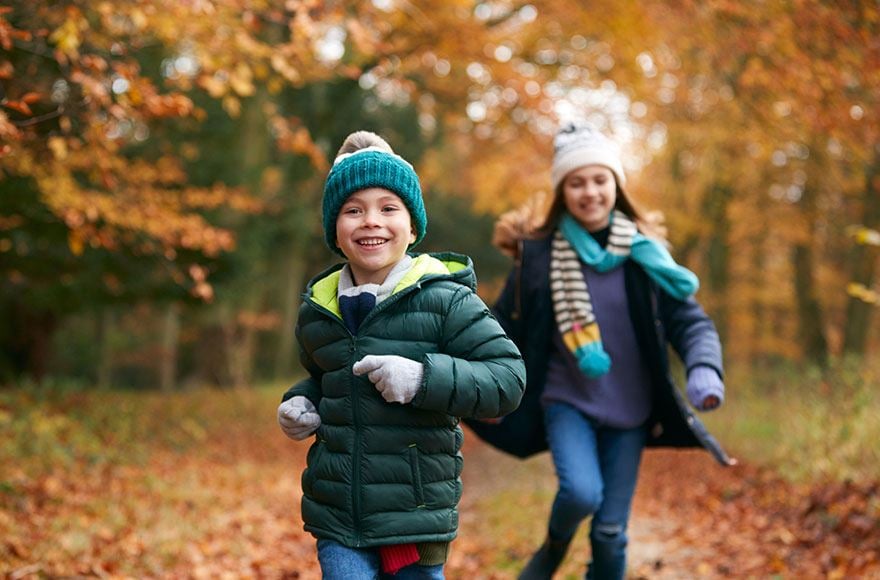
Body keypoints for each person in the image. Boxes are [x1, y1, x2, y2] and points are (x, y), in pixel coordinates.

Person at [276, 131, 526, 579]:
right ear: (335, 228)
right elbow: (324, 376)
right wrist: (302, 402)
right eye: (353, 210)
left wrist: (421, 379)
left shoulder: (446, 300)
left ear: (412, 227)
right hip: (339, 513)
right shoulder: (318, 309)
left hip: (415, 514)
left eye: (388, 208)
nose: (371, 221)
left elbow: (507, 380)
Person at [488, 121, 731, 579]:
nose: (590, 192)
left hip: (631, 411)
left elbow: (691, 321)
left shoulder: (646, 255)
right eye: (576, 182)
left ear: (616, 186)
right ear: (563, 191)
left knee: (610, 532)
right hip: (566, 401)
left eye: (599, 180)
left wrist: (703, 367)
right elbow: (500, 326)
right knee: (581, 493)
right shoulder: (539, 257)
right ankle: (555, 545)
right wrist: (485, 383)